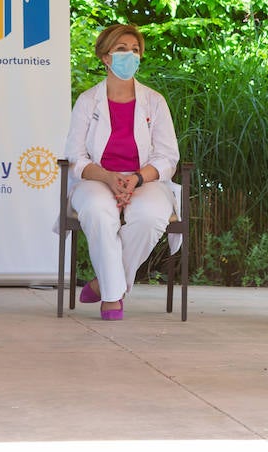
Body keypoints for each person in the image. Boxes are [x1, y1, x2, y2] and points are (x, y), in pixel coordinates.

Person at [63, 23, 180, 321]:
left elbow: (168, 157)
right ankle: (113, 297)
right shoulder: (88, 101)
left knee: (151, 216)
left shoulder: (155, 101)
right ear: (105, 57)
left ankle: (105, 284)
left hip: (144, 179)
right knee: (99, 211)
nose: (130, 55)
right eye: (121, 49)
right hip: (96, 178)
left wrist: (137, 178)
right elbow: (75, 157)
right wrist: (107, 177)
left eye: (135, 50)